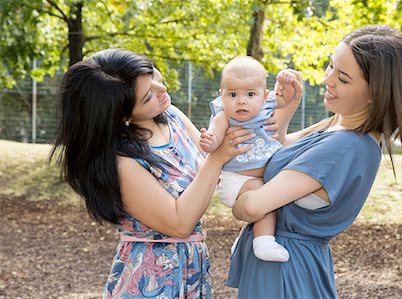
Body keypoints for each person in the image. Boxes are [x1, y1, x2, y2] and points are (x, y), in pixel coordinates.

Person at [226, 24, 402, 298]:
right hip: (286, 265)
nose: (327, 79)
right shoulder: (337, 125)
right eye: (331, 66)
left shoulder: (345, 145)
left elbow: (253, 207)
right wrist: (288, 105)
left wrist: (240, 192)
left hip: (285, 272)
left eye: (343, 78)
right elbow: (276, 153)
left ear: (374, 94)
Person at [50, 48, 255, 298]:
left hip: (193, 268)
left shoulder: (170, 116)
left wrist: (283, 111)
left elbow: (219, 173)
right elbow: (179, 223)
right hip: (152, 279)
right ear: (123, 115)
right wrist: (218, 157)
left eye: (155, 76)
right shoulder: (122, 162)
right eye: (148, 96)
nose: (162, 90)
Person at [199, 56, 312, 263]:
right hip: (237, 180)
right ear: (221, 95)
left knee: (273, 193)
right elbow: (214, 139)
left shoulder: (267, 106)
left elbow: (286, 98)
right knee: (263, 196)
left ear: (265, 95)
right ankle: (263, 242)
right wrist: (209, 141)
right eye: (232, 94)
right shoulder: (223, 116)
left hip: (263, 176)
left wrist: (286, 80)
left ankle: (245, 240)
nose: (241, 101)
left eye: (250, 94)